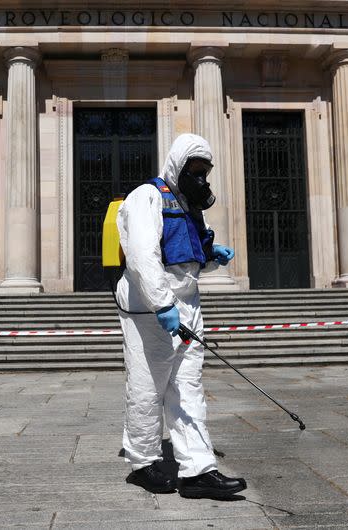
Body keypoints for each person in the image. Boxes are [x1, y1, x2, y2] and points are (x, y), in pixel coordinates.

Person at [115, 133, 246, 500]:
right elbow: (142, 255)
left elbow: (184, 252)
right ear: (178, 165)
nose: (202, 180)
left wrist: (209, 254)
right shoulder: (147, 196)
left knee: (187, 387)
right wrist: (162, 304)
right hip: (149, 306)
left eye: (205, 173)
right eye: (196, 171)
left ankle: (198, 471)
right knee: (147, 385)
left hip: (187, 302)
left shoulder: (190, 205)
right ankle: (143, 462)